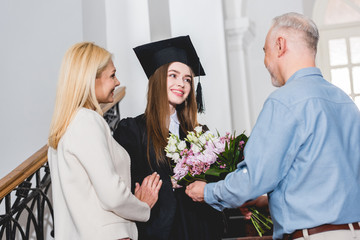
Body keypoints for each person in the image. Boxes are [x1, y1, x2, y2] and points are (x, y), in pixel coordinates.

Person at [185, 12, 360, 240]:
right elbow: (327, 182)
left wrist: (207, 192)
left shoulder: (284, 101)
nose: (265, 62)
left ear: (280, 45)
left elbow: (253, 179)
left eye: (264, 51)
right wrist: (267, 201)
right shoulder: (345, 102)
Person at [47, 42, 162, 240]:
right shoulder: (86, 121)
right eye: (112, 75)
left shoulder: (65, 126)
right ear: (89, 80)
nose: (117, 82)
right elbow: (112, 194)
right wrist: (143, 206)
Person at [113, 36, 224, 240]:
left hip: (201, 229)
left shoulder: (200, 134)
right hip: (161, 230)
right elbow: (128, 185)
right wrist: (170, 182)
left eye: (187, 79)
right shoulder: (132, 130)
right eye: (173, 75)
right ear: (158, 79)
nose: (181, 84)